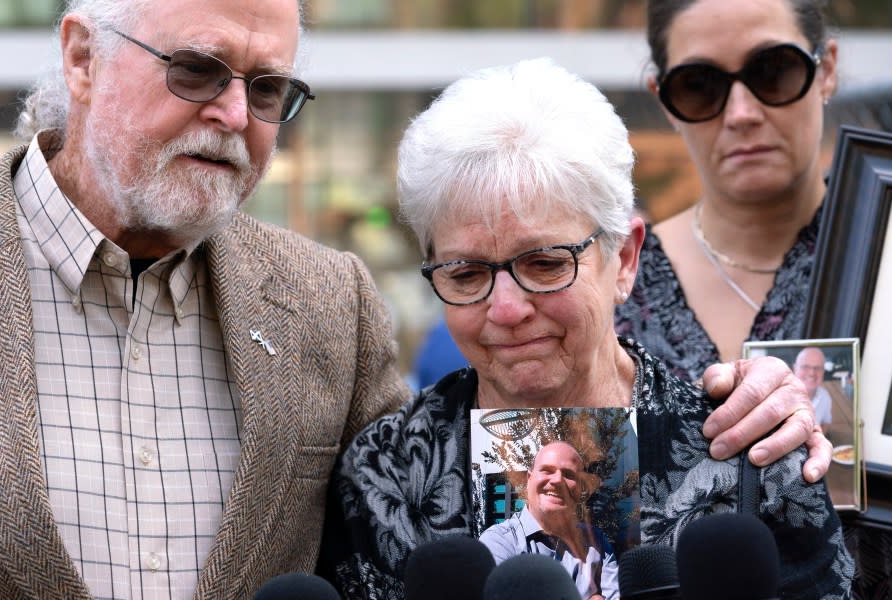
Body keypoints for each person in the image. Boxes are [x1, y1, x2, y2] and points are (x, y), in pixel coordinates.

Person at [317, 58, 853, 600]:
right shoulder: (383, 473)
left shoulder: (746, 453)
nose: (506, 308)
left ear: (623, 259)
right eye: (467, 273)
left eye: (545, 264)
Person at [0, 0, 412, 597]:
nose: (235, 113)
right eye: (194, 68)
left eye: (267, 89)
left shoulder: (331, 303)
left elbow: (415, 531)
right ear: (83, 58)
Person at [615, 0, 837, 380]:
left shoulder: (880, 253)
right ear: (664, 100)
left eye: (773, 71)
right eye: (698, 86)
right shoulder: (618, 283)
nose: (741, 114)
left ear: (826, 71)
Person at [478, 441, 619, 600]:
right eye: (547, 471)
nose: (558, 480)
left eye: (569, 474)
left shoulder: (597, 542)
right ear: (529, 479)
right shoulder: (499, 543)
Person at [794, 347, 832, 434]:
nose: (812, 373)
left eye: (818, 368)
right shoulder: (782, 397)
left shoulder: (825, 396)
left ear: (823, 371)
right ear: (795, 368)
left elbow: (826, 422)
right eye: (805, 367)